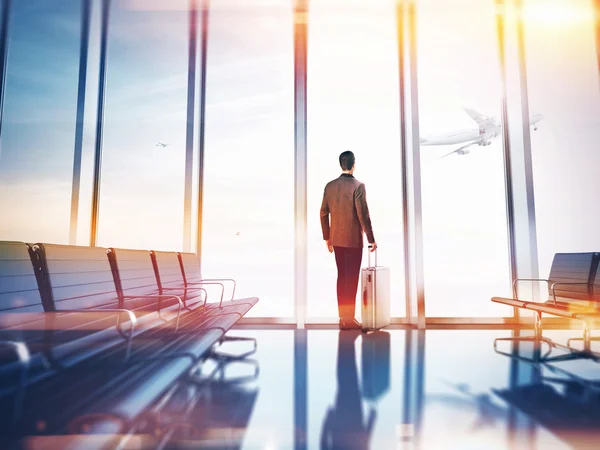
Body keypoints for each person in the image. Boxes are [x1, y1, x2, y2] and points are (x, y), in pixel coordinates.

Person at [320, 151, 377, 330]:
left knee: (341, 277)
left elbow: (323, 212)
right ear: (354, 164)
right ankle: (349, 319)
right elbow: (363, 215)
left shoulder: (329, 186)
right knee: (351, 279)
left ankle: (343, 317)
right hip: (353, 241)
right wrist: (371, 239)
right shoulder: (358, 186)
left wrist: (327, 237)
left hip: (336, 240)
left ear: (341, 164)